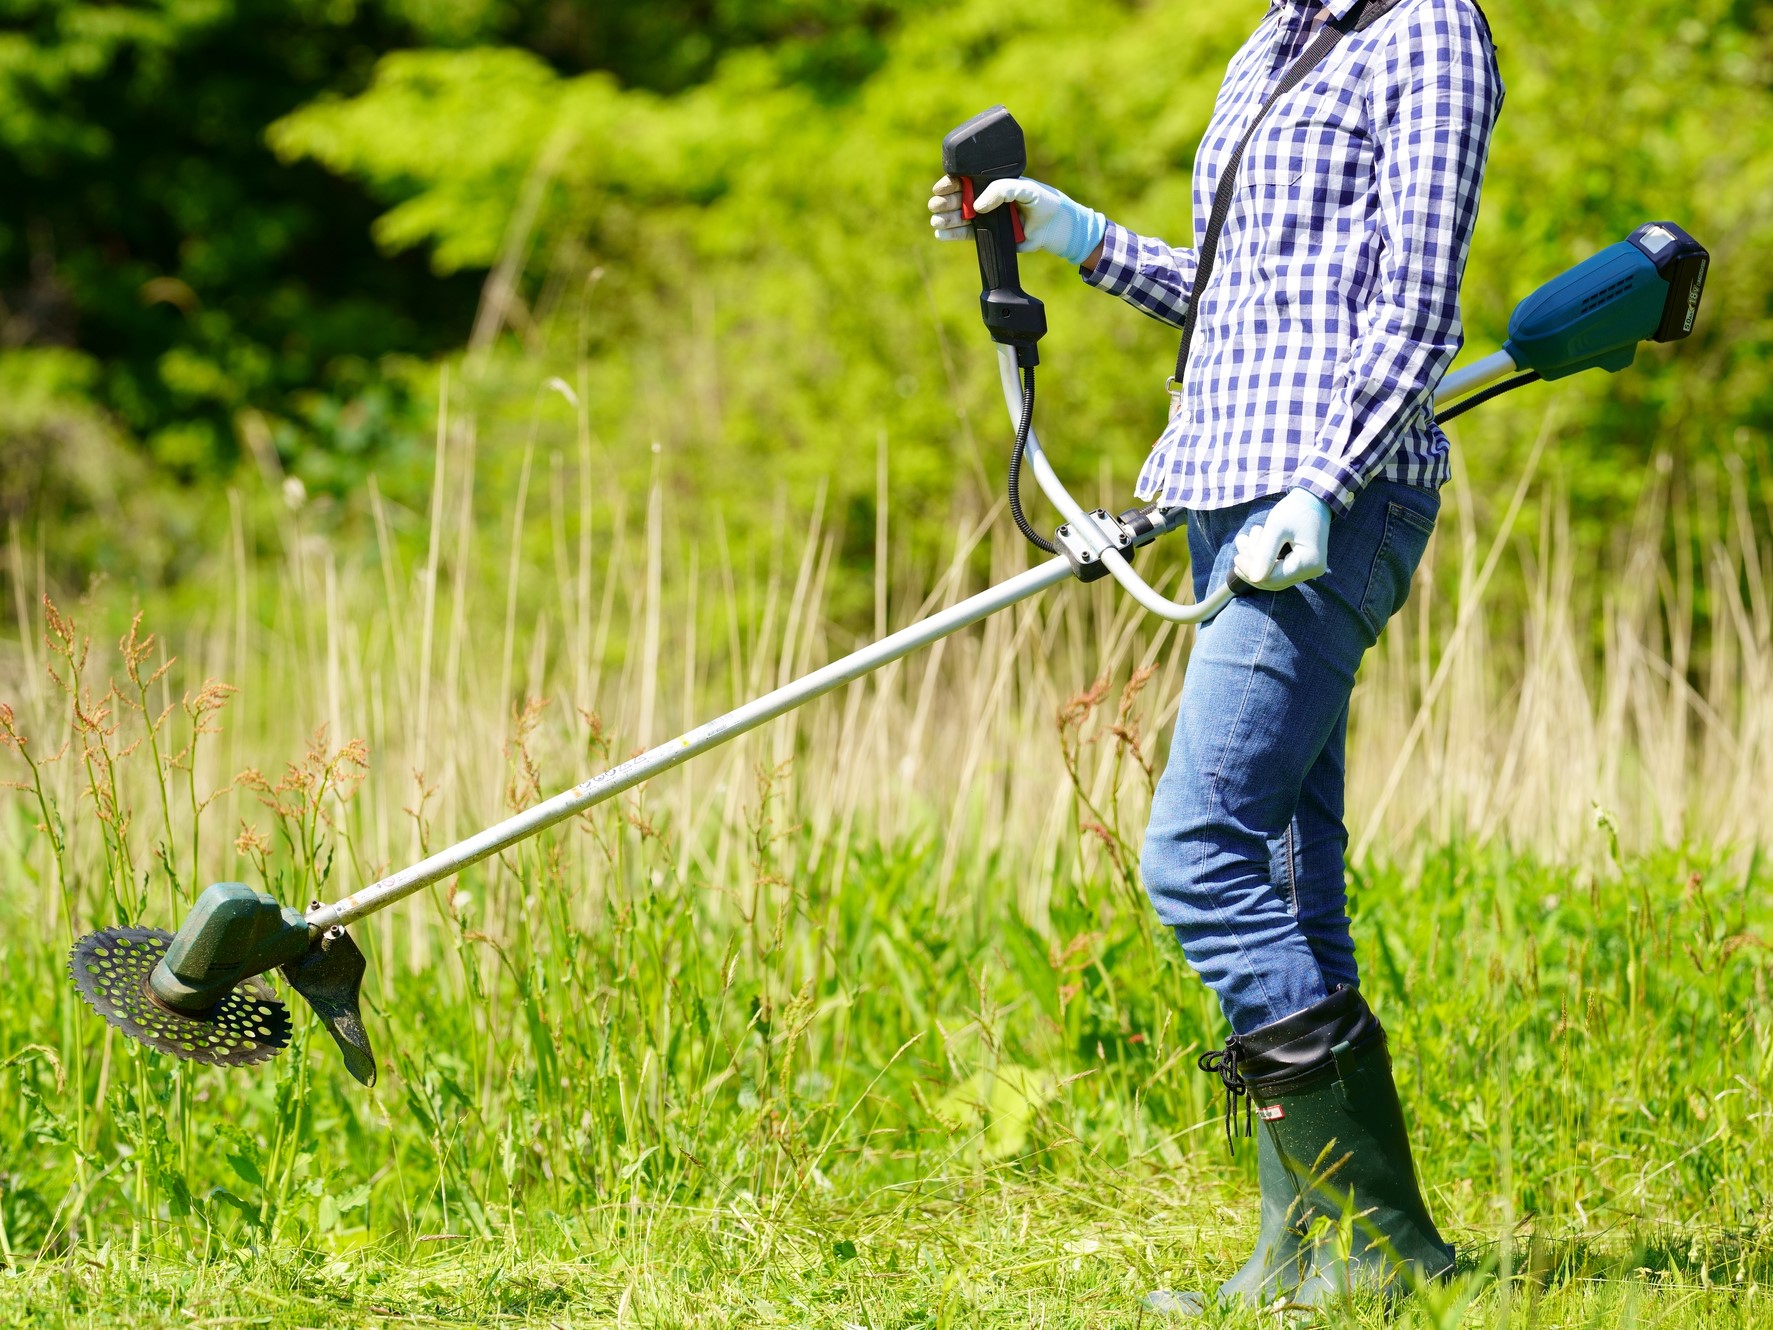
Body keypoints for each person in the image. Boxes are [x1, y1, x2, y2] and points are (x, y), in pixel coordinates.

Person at [929, 0, 1502, 1312]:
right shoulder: (1272, 37)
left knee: (1195, 851)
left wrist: (1325, 481)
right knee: (1288, 880)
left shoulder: (1427, 30)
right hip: (1223, 489)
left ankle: (1380, 1239)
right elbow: (1246, 296)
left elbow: (1413, 314)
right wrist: (1074, 238)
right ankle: (1299, 1256)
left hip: (1326, 500)